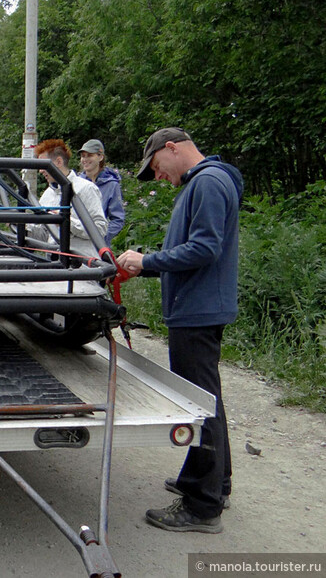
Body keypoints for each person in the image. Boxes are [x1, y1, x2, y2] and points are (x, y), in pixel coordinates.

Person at [117, 127, 242, 534]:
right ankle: (212, 482)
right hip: (199, 308)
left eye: (156, 167)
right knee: (208, 399)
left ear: (172, 148)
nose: (158, 177)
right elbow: (198, 250)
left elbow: (205, 248)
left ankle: (202, 507)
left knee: (199, 405)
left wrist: (147, 260)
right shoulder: (208, 181)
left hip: (197, 312)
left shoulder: (207, 182)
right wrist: (147, 267)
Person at [32, 139, 107, 259]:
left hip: (82, 267)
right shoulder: (47, 194)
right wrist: (21, 225)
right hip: (54, 266)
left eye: (43, 165)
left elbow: (99, 230)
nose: (40, 170)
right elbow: (43, 234)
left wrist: (65, 221)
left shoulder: (86, 189)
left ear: (59, 161)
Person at [78, 139, 125, 247]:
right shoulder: (76, 183)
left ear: (100, 157)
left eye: (89, 155)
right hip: (78, 242)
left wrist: (102, 238)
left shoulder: (112, 185)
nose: (85, 159)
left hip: (99, 246)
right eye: (83, 156)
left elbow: (117, 219)